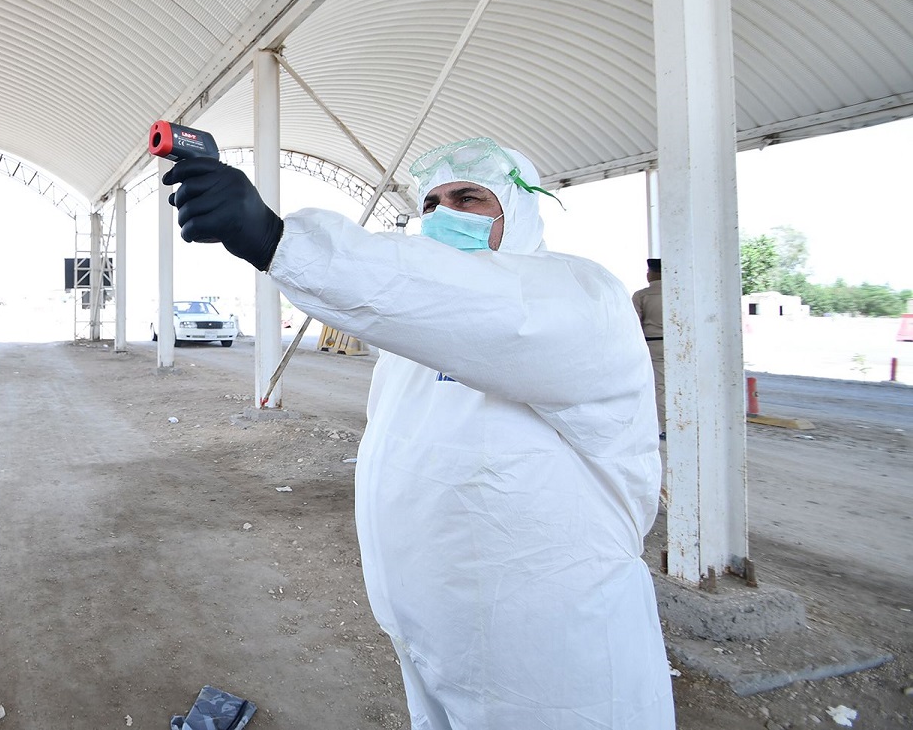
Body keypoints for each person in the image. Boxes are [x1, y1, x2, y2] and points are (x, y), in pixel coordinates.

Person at [164, 137, 674, 730]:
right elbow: (411, 300)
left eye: (469, 198)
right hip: (433, 642)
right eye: (430, 204)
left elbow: (489, 311)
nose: (442, 215)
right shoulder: (419, 334)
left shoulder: (582, 300)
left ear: (524, 211)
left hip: (547, 663)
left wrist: (277, 240)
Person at [633, 258, 667, 436]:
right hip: (678, 345)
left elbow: (634, 324)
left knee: (660, 387)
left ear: (652, 273)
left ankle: (669, 428)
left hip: (654, 344)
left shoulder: (642, 295)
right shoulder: (678, 292)